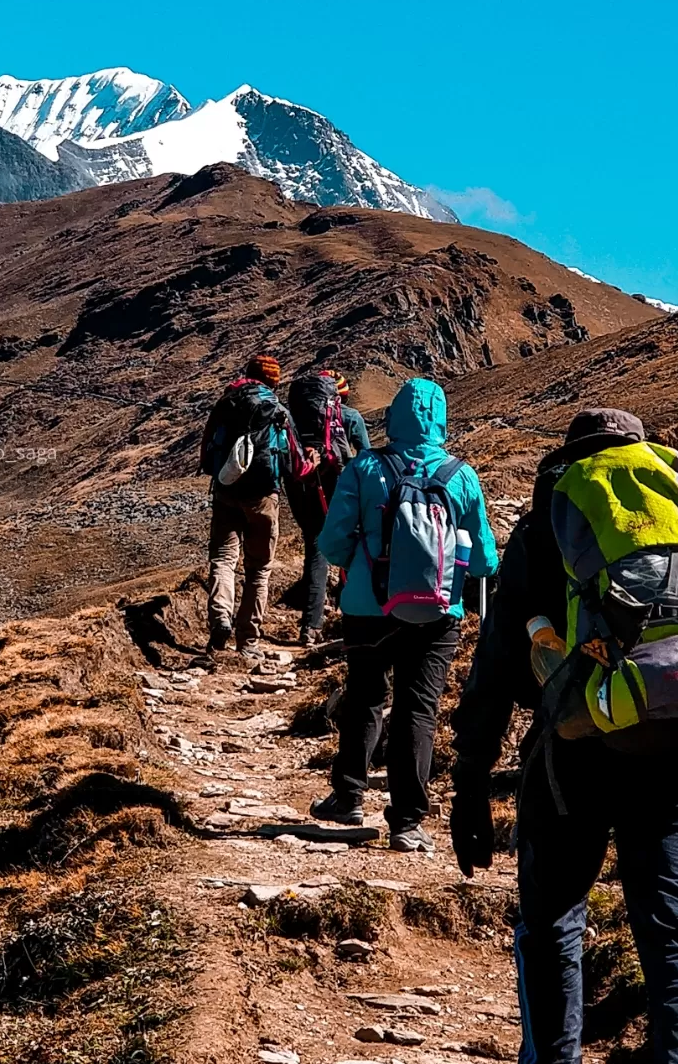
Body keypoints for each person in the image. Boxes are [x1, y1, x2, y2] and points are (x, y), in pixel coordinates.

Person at [450, 408, 678, 1064]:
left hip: (573, 752)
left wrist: (470, 777)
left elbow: (499, 653)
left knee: (551, 920)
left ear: (567, 457)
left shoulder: (550, 513)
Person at [309, 377, 497, 853]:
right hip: (438, 614)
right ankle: (407, 821)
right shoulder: (461, 475)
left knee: (366, 695)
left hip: (367, 609)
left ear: (394, 416)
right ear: (441, 420)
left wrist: (362, 564)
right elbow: (485, 562)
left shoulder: (365, 467)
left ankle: (348, 795)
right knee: (419, 709)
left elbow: (330, 543)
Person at [199, 354, 317, 658]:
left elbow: (208, 443)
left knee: (223, 559)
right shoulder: (278, 411)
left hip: (226, 491)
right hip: (264, 496)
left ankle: (220, 620)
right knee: (259, 569)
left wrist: (217, 474)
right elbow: (297, 466)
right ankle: (248, 641)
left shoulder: (227, 402)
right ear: (273, 382)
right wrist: (313, 461)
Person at [284, 368, 371, 646]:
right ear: (339, 396)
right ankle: (352, 615)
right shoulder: (351, 417)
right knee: (353, 544)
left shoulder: (295, 418)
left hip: (302, 483)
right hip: (339, 483)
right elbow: (366, 456)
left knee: (315, 548)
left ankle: (311, 626)